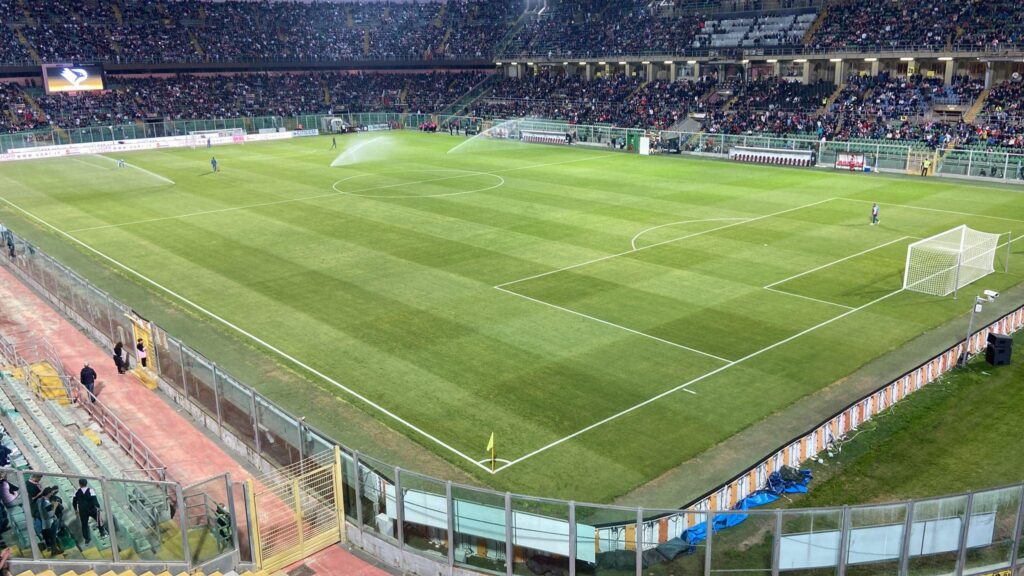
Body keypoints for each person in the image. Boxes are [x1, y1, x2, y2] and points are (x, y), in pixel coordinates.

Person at [72, 479, 106, 544]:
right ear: (86, 483)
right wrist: (98, 507)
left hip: (82, 510)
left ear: (80, 484)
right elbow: (94, 500)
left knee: (84, 524)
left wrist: (76, 510)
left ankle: (87, 539)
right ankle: (102, 533)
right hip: (91, 509)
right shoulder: (91, 490)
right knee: (99, 520)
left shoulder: (76, 492)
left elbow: (74, 502)